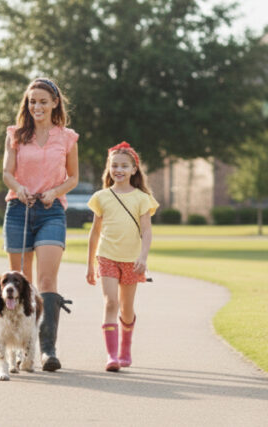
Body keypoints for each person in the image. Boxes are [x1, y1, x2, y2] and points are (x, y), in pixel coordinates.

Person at [1, 77, 78, 372]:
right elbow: (7, 173)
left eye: (43, 101)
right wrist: (18, 188)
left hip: (51, 212)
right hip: (19, 210)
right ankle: (22, 349)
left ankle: (47, 349)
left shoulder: (67, 138)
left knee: (46, 283)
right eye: (32, 101)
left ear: (55, 103)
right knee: (21, 281)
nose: (37, 107)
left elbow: (72, 177)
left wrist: (55, 192)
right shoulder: (16, 135)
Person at [85, 141, 158, 371]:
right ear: (109, 168)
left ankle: (125, 348)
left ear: (134, 169)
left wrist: (143, 258)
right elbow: (95, 232)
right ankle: (111, 356)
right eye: (114, 165)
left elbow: (146, 231)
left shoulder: (142, 198)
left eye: (124, 166)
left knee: (126, 309)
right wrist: (89, 265)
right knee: (110, 302)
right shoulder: (101, 197)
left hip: (132, 260)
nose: (118, 170)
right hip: (106, 256)